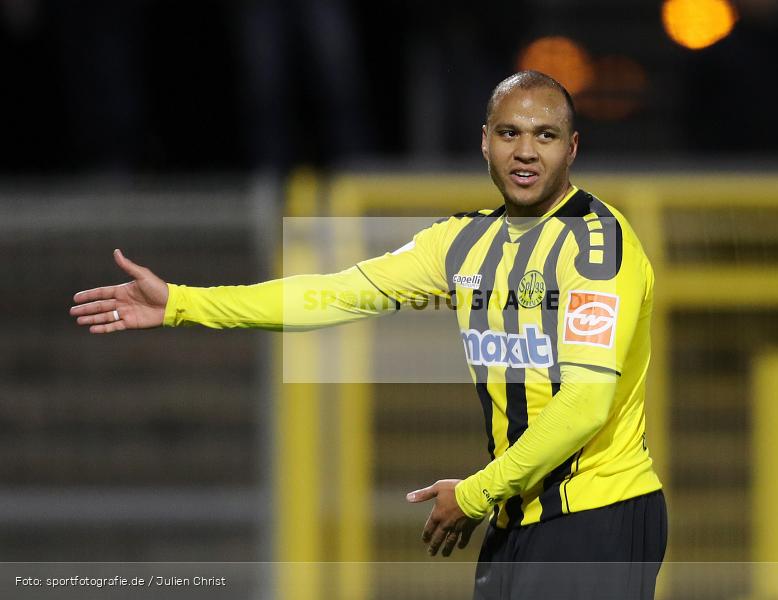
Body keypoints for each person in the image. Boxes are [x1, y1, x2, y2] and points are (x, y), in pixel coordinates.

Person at [70, 71, 667, 599]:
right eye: (510, 133)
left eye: (545, 135)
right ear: (485, 141)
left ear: (572, 148)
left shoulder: (597, 247)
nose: (526, 151)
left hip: (597, 515)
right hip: (515, 516)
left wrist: (475, 494)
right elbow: (334, 293)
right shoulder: (461, 242)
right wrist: (183, 303)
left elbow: (586, 403)